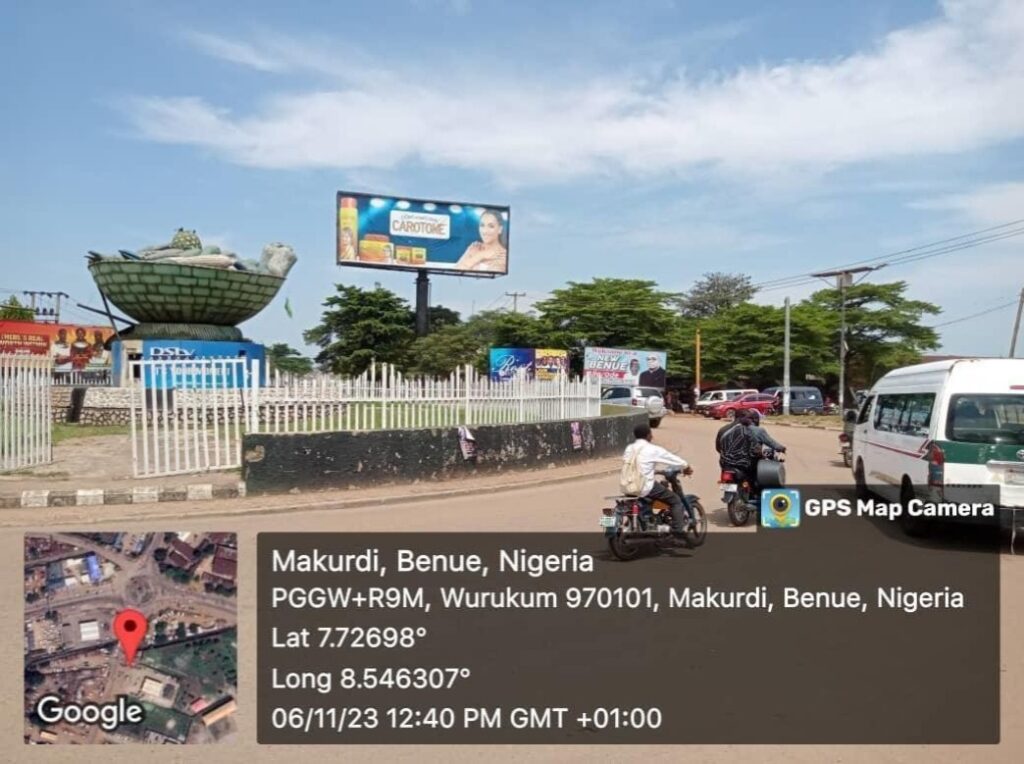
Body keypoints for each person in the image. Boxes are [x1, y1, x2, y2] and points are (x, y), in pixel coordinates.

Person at [621, 422, 696, 535]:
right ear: (648, 435)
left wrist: (653, 470)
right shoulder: (652, 449)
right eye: (651, 434)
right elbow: (672, 458)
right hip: (644, 486)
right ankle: (677, 532)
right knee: (675, 500)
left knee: (654, 495)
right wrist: (686, 467)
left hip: (627, 486)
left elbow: (638, 465)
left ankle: (650, 520)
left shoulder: (629, 448)